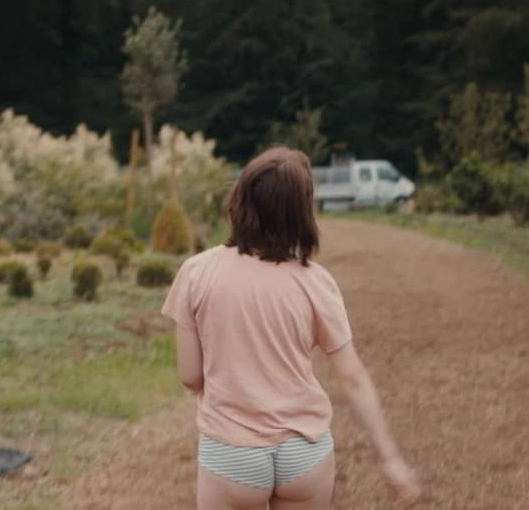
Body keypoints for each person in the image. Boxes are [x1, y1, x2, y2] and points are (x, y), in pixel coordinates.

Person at [163, 147, 422, 510]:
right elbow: (352, 378)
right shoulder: (316, 282)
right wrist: (390, 459)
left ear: (241, 199)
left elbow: (190, 376)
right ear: (301, 212)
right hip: (304, 451)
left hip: (232, 452)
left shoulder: (197, 272)